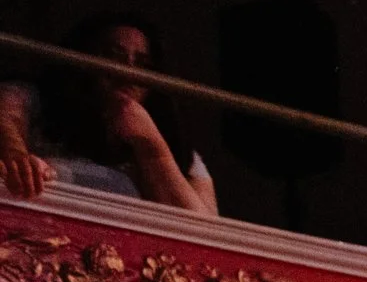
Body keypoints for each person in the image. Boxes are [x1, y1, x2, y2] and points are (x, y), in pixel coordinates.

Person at [0, 13, 219, 213]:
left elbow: (209, 233)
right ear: (83, 60)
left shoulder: (177, 148)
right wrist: (17, 155)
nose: (127, 73)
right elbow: (7, 116)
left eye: (142, 64)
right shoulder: (36, 98)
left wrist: (152, 148)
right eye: (114, 57)